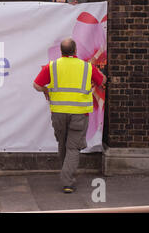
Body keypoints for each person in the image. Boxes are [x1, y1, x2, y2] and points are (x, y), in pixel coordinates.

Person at [33, 38, 106, 194]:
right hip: (79, 114)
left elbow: (37, 85)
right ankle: (67, 181)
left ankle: (66, 173)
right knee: (73, 147)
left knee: (63, 144)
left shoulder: (52, 66)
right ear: (75, 51)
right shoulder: (87, 67)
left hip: (58, 113)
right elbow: (102, 81)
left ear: (61, 51)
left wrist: (46, 91)